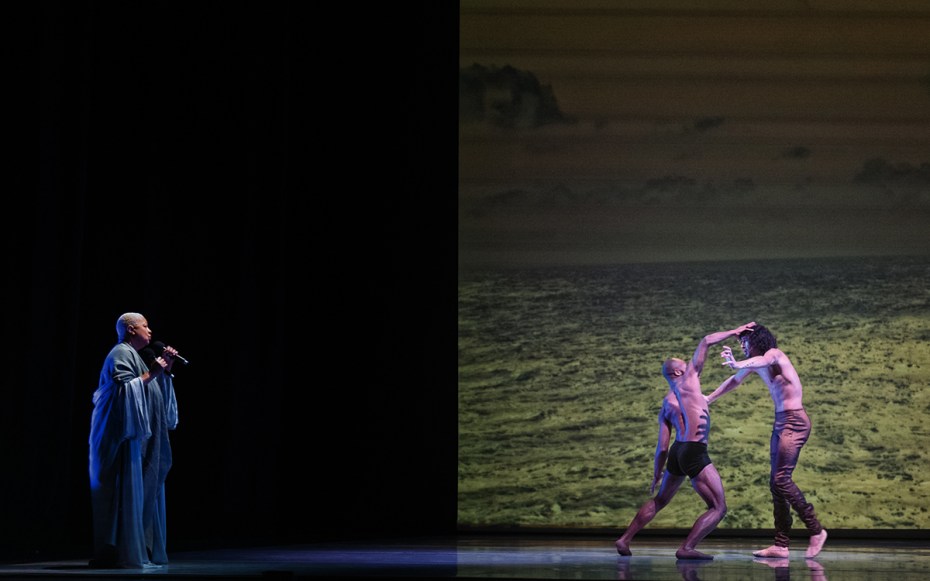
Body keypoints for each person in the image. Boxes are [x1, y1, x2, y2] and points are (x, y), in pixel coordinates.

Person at [615, 323, 754, 560]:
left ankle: (624, 539)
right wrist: (736, 331)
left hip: (678, 453)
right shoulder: (689, 381)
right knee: (719, 508)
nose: (692, 366)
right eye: (687, 365)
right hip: (694, 450)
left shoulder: (667, 404)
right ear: (679, 372)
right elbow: (707, 340)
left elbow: (662, 447)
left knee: (660, 500)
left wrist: (657, 474)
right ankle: (686, 548)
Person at [705, 322, 827, 558]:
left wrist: (738, 362)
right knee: (776, 483)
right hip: (781, 423)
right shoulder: (754, 363)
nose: (742, 347)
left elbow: (764, 361)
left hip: (795, 422)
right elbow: (734, 380)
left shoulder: (774, 354)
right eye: (740, 343)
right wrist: (709, 398)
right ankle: (781, 545)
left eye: (745, 342)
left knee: (781, 479)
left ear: (758, 341)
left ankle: (816, 529)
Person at [88, 312, 179, 568]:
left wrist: (165, 369)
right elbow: (124, 391)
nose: (150, 331)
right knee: (120, 490)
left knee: (141, 488)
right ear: (130, 329)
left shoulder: (136, 357)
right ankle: (114, 550)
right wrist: (152, 373)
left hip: (138, 441)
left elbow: (150, 391)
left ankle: (131, 546)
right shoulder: (120, 353)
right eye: (145, 326)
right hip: (119, 440)